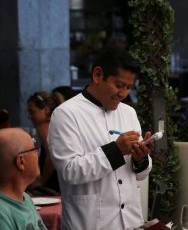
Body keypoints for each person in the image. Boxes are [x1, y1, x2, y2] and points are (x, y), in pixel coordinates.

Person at [49, 48, 154, 229]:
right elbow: (69, 171)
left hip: (130, 222)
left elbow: (141, 174)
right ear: (98, 75)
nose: (123, 93)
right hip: (89, 223)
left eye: (128, 87)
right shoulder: (66, 114)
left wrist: (140, 158)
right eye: (119, 85)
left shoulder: (129, 112)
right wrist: (116, 150)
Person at [27, 91, 59, 195]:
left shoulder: (44, 127)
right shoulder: (55, 125)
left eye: (32, 112)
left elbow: (51, 156)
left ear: (46, 110)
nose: (29, 116)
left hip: (52, 185)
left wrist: (41, 181)